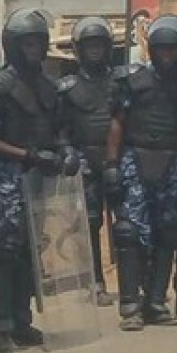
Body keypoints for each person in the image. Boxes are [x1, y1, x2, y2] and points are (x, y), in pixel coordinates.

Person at [0, 9, 78, 353]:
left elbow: (61, 130)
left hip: (41, 178)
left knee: (30, 251)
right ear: (12, 45)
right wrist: (28, 155)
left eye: (37, 42)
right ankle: (1, 326)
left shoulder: (51, 87)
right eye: (26, 43)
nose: (33, 49)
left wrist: (67, 152)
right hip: (8, 175)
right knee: (5, 252)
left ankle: (22, 321)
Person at [106, 16, 177, 330]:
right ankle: (130, 304)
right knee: (129, 232)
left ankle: (156, 301)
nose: (167, 55)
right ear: (152, 50)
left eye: (172, 50)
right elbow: (117, 123)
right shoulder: (133, 81)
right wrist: (112, 166)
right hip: (135, 159)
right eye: (161, 50)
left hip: (176, 162)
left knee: (168, 229)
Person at [56, 17, 119, 308]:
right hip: (85, 160)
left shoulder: (122, 81)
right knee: (89, 222)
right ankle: (95, 281)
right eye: (89, 45)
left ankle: (136, 283)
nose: (95, 51)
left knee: (129, 222)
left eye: (99, 45)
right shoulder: (66, 89)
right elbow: (59, 130)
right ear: (78, 49)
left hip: (117, 160)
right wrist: (68, 152)